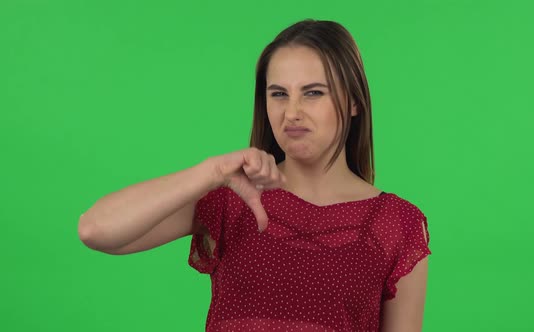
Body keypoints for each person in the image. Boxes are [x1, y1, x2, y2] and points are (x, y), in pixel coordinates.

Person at [78, 19, 432, 332]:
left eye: (313, 93)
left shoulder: (397, 224)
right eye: (278, 94)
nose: (292, 112)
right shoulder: (229, 197)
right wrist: (210, 171)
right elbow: (95, 229)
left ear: (354, 102)